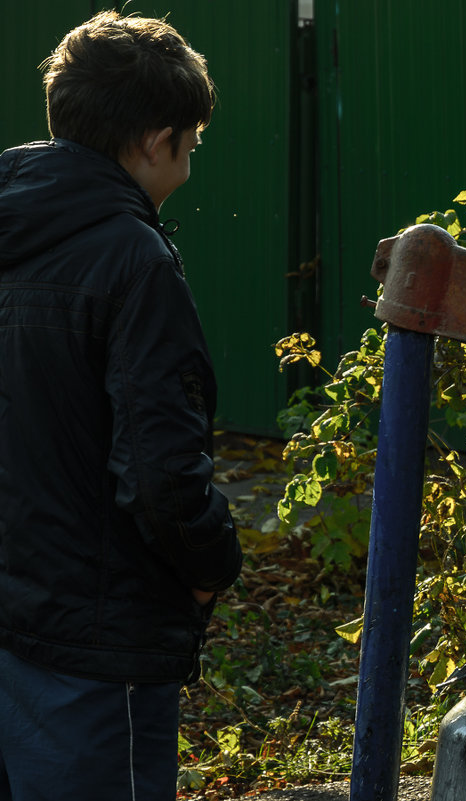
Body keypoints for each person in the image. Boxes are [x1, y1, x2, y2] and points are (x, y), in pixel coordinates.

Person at [0, 11, 242, 800]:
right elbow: (163, 475)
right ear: (154, 139)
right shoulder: (133, 259)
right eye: (193, 147)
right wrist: (211, 569)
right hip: (93, 650)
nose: (191, 166)